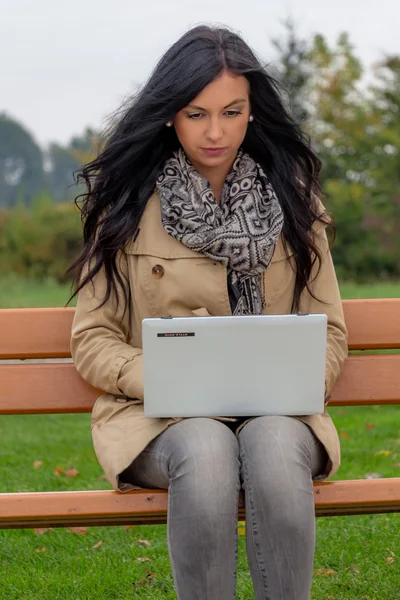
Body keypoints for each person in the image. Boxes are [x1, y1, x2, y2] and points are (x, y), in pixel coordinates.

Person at [68, 25, 348, 600]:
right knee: (206, 447)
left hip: (278, 414)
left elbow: (332, 332)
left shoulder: (297, 203)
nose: (215, 132)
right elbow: (93, 338)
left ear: (253, 112)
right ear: (171, 114)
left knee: (272, 446)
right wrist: (168, 379)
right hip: (159, 419)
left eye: (231, 111)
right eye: (196, 114)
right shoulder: (124, 205)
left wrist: (297, 382)